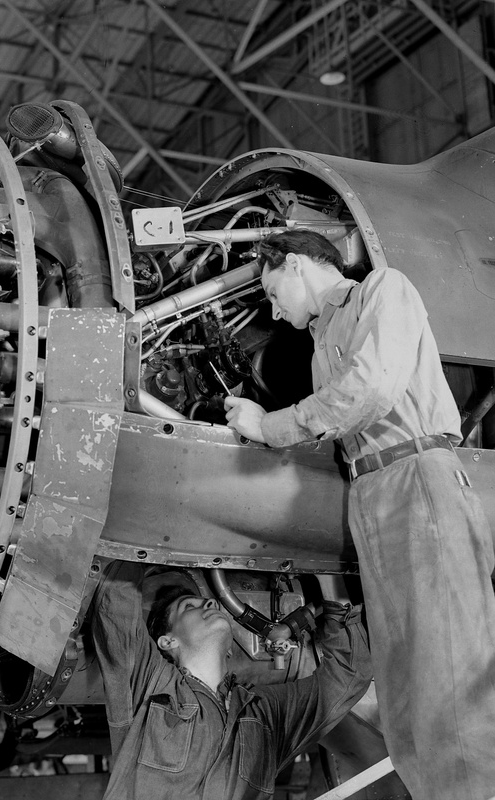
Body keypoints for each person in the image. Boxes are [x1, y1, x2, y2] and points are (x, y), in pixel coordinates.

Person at [224, 230, 495, 800]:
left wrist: (267, 426)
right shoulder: (323, 344)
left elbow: (370, 388)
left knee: (449, 673)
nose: (275, 312)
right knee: (403, 692)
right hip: (372, 495)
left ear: (298, 264)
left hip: (416, 480)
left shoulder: (383, 289)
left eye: (274, 294)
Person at [92, 559, 371, 799]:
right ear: (167, 641)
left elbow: (348, 678)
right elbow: (117, 604)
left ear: (229, 648)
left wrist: (329, 577)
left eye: (206, 602)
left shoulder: (267, 715)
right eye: (189, 606)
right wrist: (333, 574)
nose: (210, 602)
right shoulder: (147, 687)